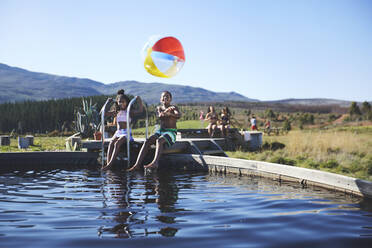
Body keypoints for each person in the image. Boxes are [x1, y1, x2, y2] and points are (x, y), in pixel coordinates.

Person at [127, 91, 181, 171]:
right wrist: (166, 112)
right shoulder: (159, 108)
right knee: (147, 141)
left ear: (170, 99)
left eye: (167, 96)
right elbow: (160, 116)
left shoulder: (174, 108)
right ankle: (137, 165)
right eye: (163, 96)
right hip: (161, 131)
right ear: (160, 99)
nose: (165, 98)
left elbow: (178, 115)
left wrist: (171, 114)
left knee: (159, 140)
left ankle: (155, 163)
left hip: (171, 132)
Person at [102, 89, 143, 170]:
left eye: (123, 101)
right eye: (119, 102)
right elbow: (103, 113)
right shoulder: (116, 112)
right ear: (117, 102)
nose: (121, 103)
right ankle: (108, 163)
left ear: (127, 102)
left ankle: (110, 164)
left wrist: (139, 100)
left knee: (117, 143)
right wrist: (107, 103)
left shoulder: (129, 111)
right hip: (118, 132)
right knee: (111, 143)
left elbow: (140, 110)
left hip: (126, 133)